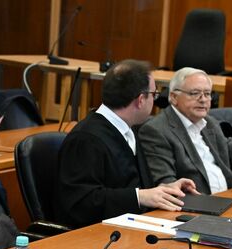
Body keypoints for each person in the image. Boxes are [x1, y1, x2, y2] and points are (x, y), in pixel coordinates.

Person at [54, 60, 198, 228]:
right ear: (140, 100)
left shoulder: (130, 130)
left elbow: (131, 185)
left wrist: (165, 190)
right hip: (97, 236)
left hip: (132, 226)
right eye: (154, 94)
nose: (154, 99)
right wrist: (140, 197)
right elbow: (80, 203)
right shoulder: (86, 139)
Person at [138, 67, 232, 194]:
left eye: (207, 94)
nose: (203, 99)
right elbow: (166, 183)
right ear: (174, 97)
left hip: (228, 198)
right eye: (195, 93)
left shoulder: (209, 123)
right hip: (193, 205)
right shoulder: (156, 131)